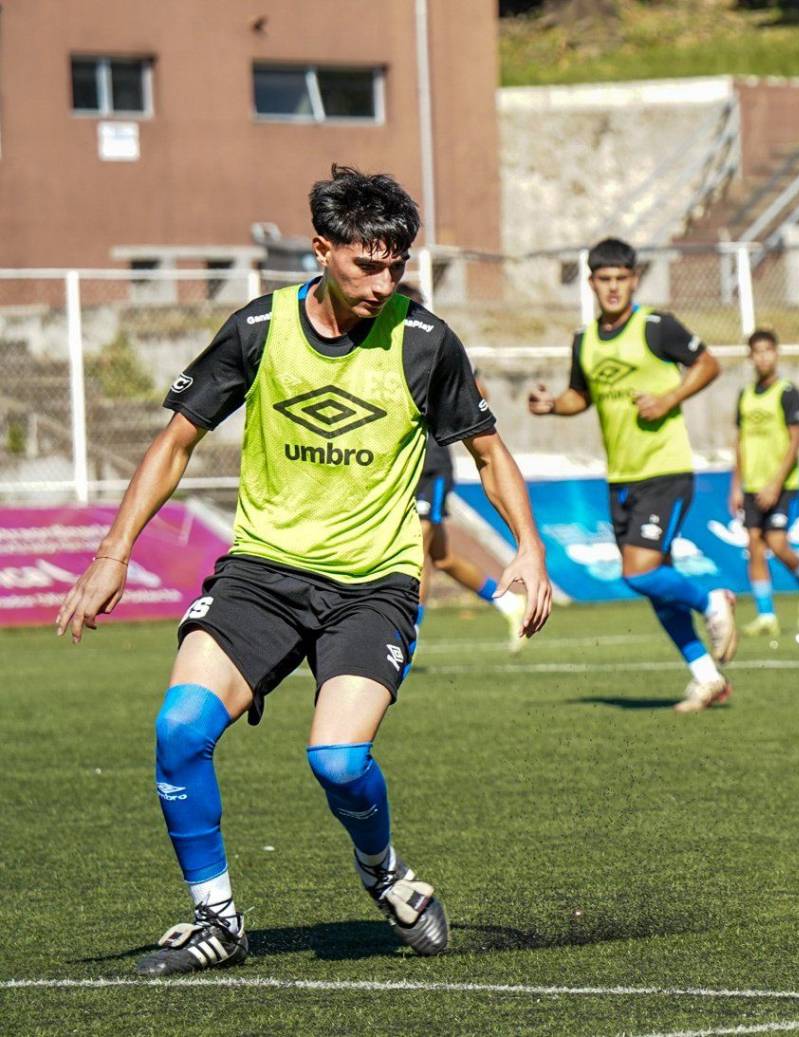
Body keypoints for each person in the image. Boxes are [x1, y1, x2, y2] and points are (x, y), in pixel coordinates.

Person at [54, 166, 554, 975]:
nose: (384, 282)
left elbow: (490, 455)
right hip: (260, 576)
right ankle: (217, 920)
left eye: (397, 265)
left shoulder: (426, 341)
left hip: (372, 586)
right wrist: (114, 554)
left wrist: (528, 546)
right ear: (321, 250)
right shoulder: (257, 329)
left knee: (338, 762)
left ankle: (384, 873)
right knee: (179, 731)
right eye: (368, 264)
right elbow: (175, 443)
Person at [527, 237, 737, 713]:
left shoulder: (656, 326)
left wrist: (668, 399)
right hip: (621, 478)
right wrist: (553, 404)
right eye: (605, 279)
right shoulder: (584, 341)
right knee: (657, 584)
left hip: (665, 469)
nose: (613, 287)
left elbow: (709, 364)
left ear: (634, 280)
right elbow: (580, 396)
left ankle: (712, 600)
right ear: (591, 283)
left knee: (638, 572)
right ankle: (707, 678)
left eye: (621, 279)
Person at [397, 282, 529, 651]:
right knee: (440, 556)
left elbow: (478, 392)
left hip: (430, 465)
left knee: (415, 555)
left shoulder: (435, 345)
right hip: (398, 466)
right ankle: (507, 602)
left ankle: (405, 645)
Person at [730, 329, 799, 637]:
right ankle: (766, 616)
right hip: (751, 484)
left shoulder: (787, 392)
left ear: (776, 353)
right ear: (750, 357)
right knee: (754, 546)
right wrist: (735, 485)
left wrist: (775, 483)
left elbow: (795, 441)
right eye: (757, 352)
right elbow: (740, 441)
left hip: (782, 484)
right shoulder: (745, 395)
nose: (763, 357)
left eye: (767, 351)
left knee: (776, 543)